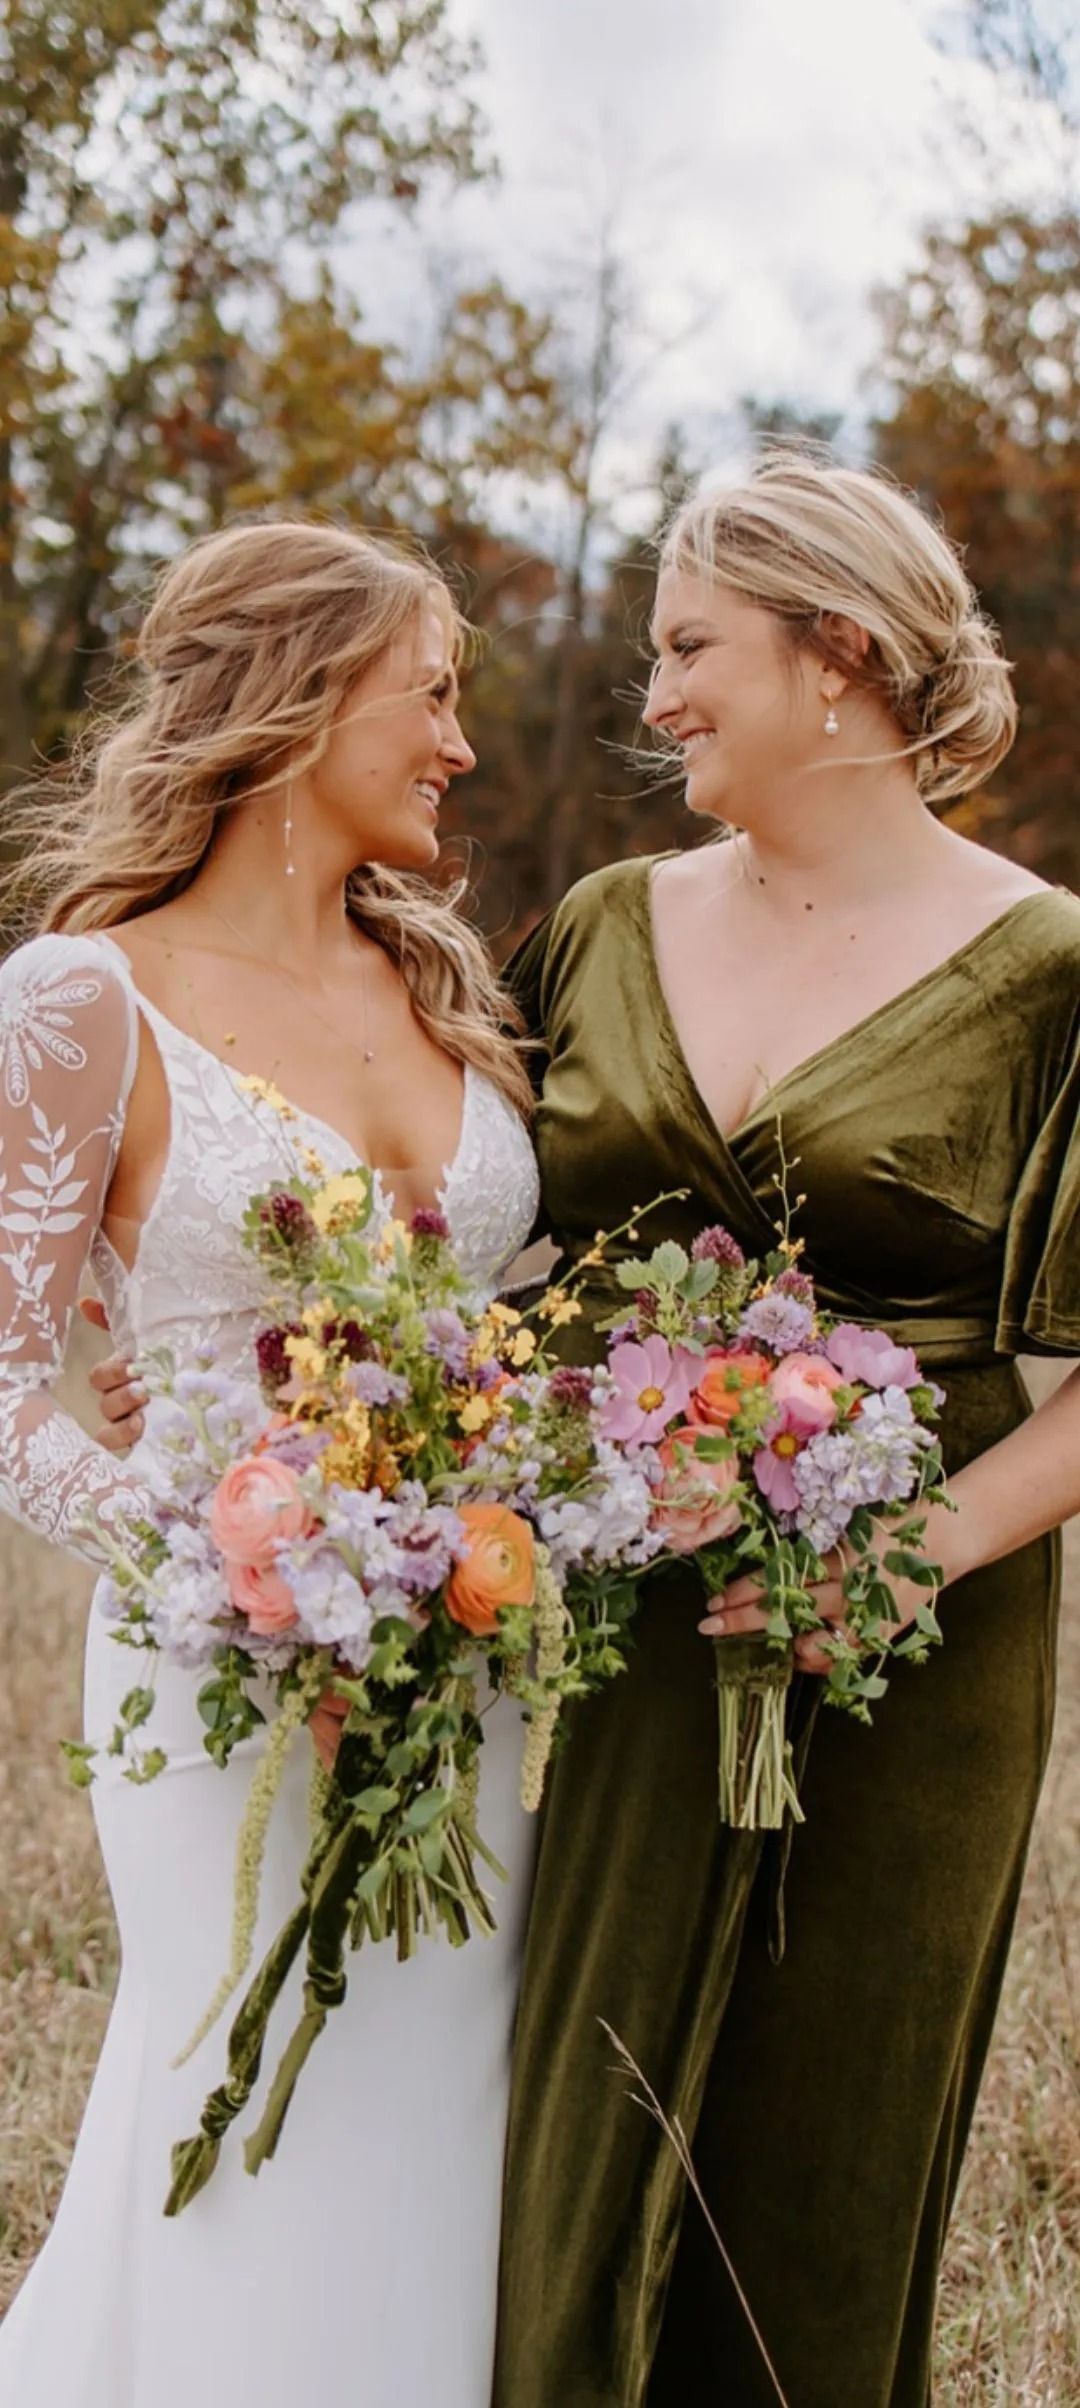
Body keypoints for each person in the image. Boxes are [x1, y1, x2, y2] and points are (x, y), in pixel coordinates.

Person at [488, 456, 1080, 2406]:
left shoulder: (1052, 972)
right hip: (632, 1617)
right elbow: (474, 1226)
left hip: (915, 1632)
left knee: (826, 2158)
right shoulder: (597, 922)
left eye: (686, 648)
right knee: (581, 2134)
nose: (651, 698)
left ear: (836, 656)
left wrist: (904, 1554)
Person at [0, 519, 540, 2408]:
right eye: (436, 693)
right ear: (301, 694)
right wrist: (194, 1555)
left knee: (442, 2105)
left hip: (462, 1659)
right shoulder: (83, 999)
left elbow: (488, 1326)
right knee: (239, 2087)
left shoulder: (442, 981)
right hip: (219, 1662)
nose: (461, 743)